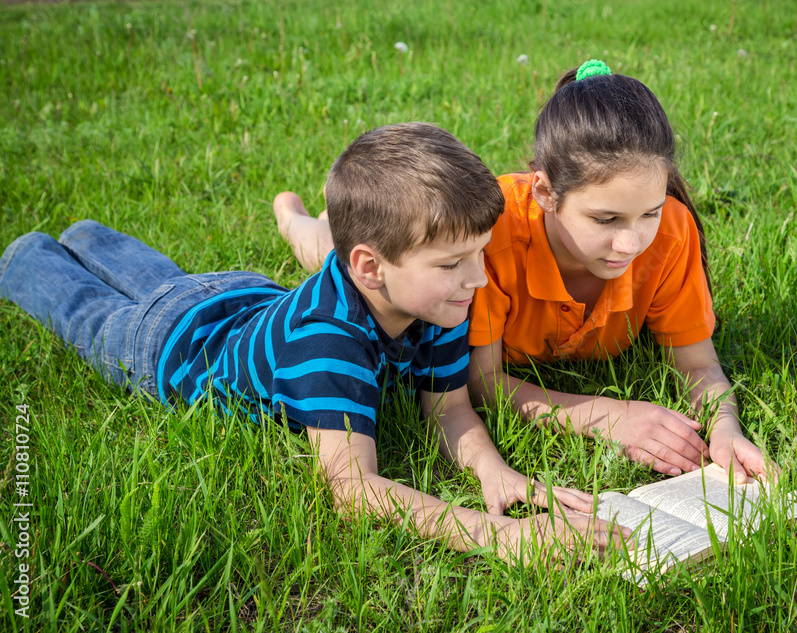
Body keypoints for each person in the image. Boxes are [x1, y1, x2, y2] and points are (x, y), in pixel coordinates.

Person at [0, 123, 624, 562]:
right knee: (85, 310)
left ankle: (86, 235)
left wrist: (496, 473)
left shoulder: (439, 295)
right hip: (169, 347)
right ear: (370, 267)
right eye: (454, 262)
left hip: (237, 295)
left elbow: (451, 406)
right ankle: (25, 254)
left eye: (480, 255)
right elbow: (354, 490)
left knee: (167, 280)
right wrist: (500, 538)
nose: (478, 277)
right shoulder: (330, 341)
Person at [273, 62, 773, 485]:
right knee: (337, 256)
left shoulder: (670, 234)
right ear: (544, 193)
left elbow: (699, 365)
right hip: (396, 265)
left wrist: (726, 426)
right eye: (605, 220)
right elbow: (483, 382)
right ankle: (296, 220)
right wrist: (604, 416)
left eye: (649, 212)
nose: (632, 243)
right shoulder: (487, 242)